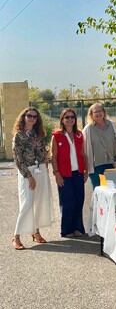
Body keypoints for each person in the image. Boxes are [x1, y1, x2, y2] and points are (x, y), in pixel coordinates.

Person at [11, 107, 54, 250]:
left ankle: (35, 232)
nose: (32, 118)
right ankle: (16, 236)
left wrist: (46, 160)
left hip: (40, 169)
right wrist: (29, 176)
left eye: (35, 117)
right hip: (27, 172)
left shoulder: (38, 134)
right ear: (23, 117)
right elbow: (18, 159)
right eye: (29, 116)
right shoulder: (19, 135)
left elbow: (42, 151)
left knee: (39, 202)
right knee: (27, 203)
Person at [51, 109, 88, 237]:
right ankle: (66, 230)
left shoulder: (79, 134)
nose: (70, 119)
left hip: (78, 173)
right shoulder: (56, 136)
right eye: (67, 117)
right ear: (62, 119)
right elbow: (53, 157)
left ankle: (78, 228)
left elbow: (83, 154)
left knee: (79, 201)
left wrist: (86, 171)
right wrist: (57, 174)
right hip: (64, 175)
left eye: (72, 117)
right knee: (67, 203)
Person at [82, 103, 116, 189]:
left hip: (112, 165)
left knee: (112, 189)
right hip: (96, 168)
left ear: (104, 112)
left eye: (100, 111)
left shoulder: (112, 125)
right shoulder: (87, 129)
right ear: (91, 115)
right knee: (100, 191)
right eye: (95, 112)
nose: (98, 113)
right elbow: (84, 150)